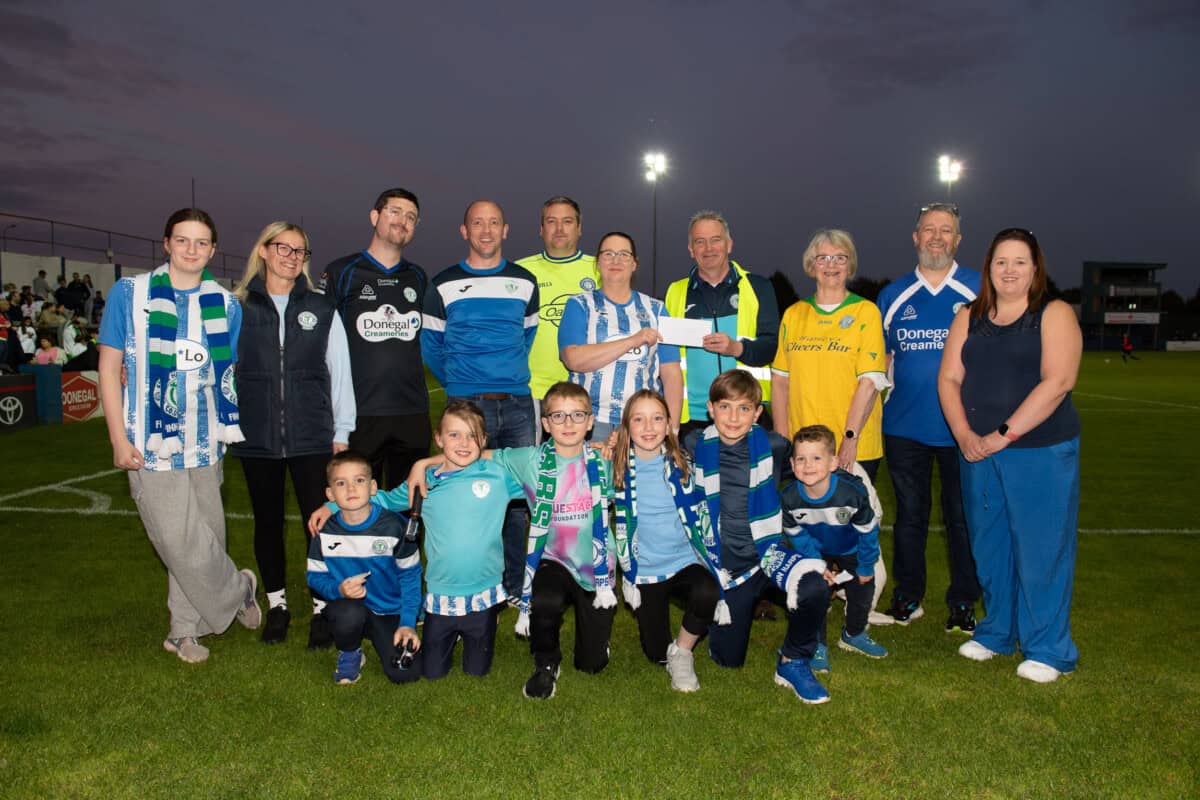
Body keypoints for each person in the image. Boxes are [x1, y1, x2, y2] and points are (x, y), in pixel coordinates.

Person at [97, 208, 260, 664]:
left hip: (205, 440)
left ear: (212, 250)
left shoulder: (226, 305)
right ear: (166, 243)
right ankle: (239, 588)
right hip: (148, 440)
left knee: (203, 536)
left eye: (202, 242)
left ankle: (184, 631)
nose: (192, 250)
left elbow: (223, 374)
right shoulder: (130, 294)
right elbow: (110, 367)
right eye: (182, 240)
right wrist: (116, 437)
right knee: (177, 539)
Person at [938, 227, 1082, 683]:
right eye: (1001, 261)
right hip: (977, 451)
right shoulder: (969, 315)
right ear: (988, 268)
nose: (1010, 270)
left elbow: (1058, 382)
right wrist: (963, 434)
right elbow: (949, 379)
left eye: (1020, 261)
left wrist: (1003, 434)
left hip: (1038, 449)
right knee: (990, 544)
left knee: (1041, 549)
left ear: (1036, 268)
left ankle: (1048, 648)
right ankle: (997, 631)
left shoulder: (1054, 313)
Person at [312, 401, 525, 680]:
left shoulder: (499, 476)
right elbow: (384, 500)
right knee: (432, 672)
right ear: (438, 439)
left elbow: (540, 470)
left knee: (476, 671)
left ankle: (483, 624)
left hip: (484, 590)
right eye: (454, 435)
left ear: (483, 441)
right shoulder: (423, 481)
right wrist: (334, 506)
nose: (464, 442)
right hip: (440, 591)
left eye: (472, 435)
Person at [231, 221, 355, 646]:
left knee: (316, 523)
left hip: (312, 435)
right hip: (256, 436)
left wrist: (342, 430)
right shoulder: (238, 306)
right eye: (282, 247)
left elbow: (339, 373)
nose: (290, 256)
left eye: (299, 251)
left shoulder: (321, 308)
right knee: (266, 523)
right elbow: (221, 370)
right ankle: (277, 605)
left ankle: (322, 607)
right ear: (263, 251)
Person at [422, 199, 539, 601]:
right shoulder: (442, 283)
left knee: (521, 496)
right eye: (477, 223)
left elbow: (525, 337)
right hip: (467, 405)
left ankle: (514, 585)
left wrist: (502, 375)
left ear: (505, 230)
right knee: (468, 493)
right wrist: (462, 382)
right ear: (464, 230)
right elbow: (432, 346)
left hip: (519, 404)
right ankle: (475, 578)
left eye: (494, 223)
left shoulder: (524, 281)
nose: (486, 230)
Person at [876, 203, 982, 630]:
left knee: (962, 519)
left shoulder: (980, 289)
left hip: (965, 429)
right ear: (915, 237)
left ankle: (963, 602)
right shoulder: (892, 294)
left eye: (946, 230)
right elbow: (881, 363)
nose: (937, 237)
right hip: (904, 427)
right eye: (929, 230)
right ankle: (907, 596)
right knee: (910, 518)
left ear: (957, 240)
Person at [679, 371, 809, 682]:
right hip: (727, 565)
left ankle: (801, 652)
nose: (734, 417)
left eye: (744, 408)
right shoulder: (695, 442)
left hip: (766, 553)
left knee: (811, 584)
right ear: (710, 409)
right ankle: (717, 614)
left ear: (758, 412)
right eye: (725, 407)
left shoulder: (776, 445)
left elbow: (810, 472)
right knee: (728, 661)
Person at [319, 188, 431, 492]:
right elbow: (320, 344)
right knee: (356, 506)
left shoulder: (418, 277)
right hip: (360, 413)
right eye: (394, 211)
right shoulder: (341, 272)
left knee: (410, 507)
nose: (402, 221)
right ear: (374, 216)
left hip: (411, 413)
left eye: (411, 217)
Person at [612, 389, 721, 692]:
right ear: (626, 427)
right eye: (639, 419)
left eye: (657, 418)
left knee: (707, 591)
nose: (649, 428)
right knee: (655, 654)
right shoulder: (615, 469)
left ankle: (683, 650)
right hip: (645, 569)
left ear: (669, 423)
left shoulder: (684, 462)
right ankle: (667, 651)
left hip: (683, 561)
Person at [771, 229, 889, 480]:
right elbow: (780, 381)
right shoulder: (793, 315)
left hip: (854, 445)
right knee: (805, 518)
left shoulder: (866, 312)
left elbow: (868, 384)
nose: (831, 265)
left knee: (851, 517)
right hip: (804, 448)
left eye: (840, 258)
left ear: (850, 265)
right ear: (811, 265)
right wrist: (783, 439)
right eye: (822, 258)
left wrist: (849, 438)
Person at [780, 425, 888, 688]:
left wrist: (865, 565)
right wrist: (817, 564)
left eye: (817, 458)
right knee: (815, 592)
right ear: (792, 464)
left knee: (863, 590)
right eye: (801, 459)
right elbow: (797, 535)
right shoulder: (790, 497)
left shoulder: (852, 492)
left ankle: (853, 633)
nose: (808, 466)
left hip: (851, 546)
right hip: (816, 550)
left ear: (833, 462)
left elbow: (868, 532)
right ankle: (817, 645)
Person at [306, 451, 422, 685]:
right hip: (351, 608)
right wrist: (339, 590)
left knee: (405, 674)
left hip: (390, 611)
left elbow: (410, 576)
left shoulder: (394, 526)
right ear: (330, 494)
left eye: (359, 481)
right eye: (341, 483)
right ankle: (350, 652)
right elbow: (314, 577)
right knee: (347, 613)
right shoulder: (324, 529)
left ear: (372, 487)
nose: (350, 489)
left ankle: (416, 623)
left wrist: (407, 623)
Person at [664, 211, 780, 435]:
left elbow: (772, 347)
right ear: (691, 250)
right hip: (692, 420)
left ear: (729, 245)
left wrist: (736, 348)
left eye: (716, 240)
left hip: (748, 415)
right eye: (700, 242)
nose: (708, 248)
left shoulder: (758, 286)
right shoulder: (675, 291)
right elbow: (666, 356)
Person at [559, 231, 684, 439]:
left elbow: (671, 374)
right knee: (592, 473)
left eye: (624, 255)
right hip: (589, 421)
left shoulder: (656, 309)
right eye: (608, 254)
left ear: (634, 264)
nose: (616, 260)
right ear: (598, 262)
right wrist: (633, 340)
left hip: (643, 422)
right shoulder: (579, 304)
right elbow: (573, 359)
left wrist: (673, 428)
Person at [516, 195, 599, 434]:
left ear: (579, 228)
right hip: (532, 392)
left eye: (568, 221)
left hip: (585, 391)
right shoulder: (521, 271)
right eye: (552, 221)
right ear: (541, 229)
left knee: (582, 469)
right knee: (534, 468)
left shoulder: (599, 269)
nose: (560, 228)